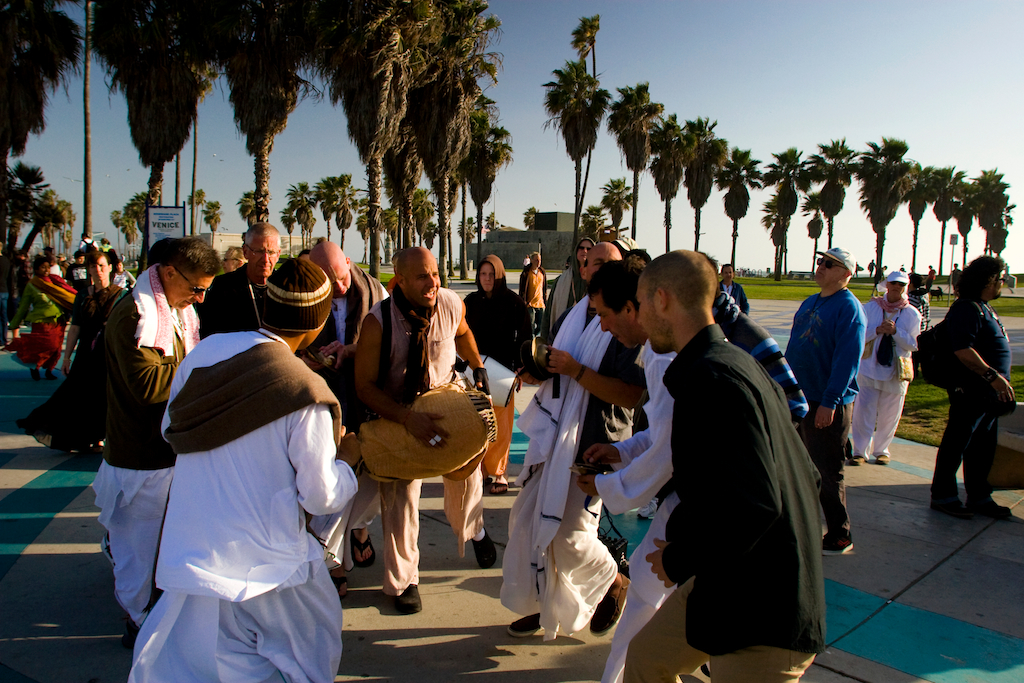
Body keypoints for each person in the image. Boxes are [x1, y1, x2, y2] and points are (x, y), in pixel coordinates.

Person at [128, 259, 358, 683]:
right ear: (319, 320)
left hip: (196, 556)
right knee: (308, 656)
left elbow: (171, 431)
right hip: (271, 568)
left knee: (208, 668)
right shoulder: (305, 391)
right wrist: (346, 462)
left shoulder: (204, 353)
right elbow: (321, 496)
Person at [621, 250, 825, 683]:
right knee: (645, 661)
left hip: (765, 608)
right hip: (727, 580)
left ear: (662, 300)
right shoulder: (732, 363)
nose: (635, 317)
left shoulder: (712, 379)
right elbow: (804, 474)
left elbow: (753, 506)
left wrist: (679, 558)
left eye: (638, 303)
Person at [502, 241, 644, 641]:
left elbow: (632, 395)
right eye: (588, 260)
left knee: (570, 536)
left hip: (595, 442)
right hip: (554, 435)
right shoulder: (569, 315)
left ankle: (614, 580)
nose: (592, 266)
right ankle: (542, 604)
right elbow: (553, 365)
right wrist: (535, 371)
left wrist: (577, 370)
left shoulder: (624, 322)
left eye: (603, 262)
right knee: (527, 522)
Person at [92, 237, 220, 647]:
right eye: (196, 288)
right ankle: (137, 620)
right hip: (140, 461)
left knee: (157, 546)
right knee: (138, 554)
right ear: (167, 274)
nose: (200, 297)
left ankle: (149, 612)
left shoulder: (176, 311)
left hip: (165, 454)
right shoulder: (135, 315)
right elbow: (148, 384)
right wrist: (207, 370)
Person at [353, 246, 494, 614]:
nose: (432, 282)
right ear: (398, 279)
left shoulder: (448, 302)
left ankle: (474, 530)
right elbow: (364, 387)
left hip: (447, 404)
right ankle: (404, 582)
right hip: (399, 416)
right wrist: (406, 418)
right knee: (400, 500)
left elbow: (463, 332)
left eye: (435, 273)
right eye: (422, 276)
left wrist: (477, 364)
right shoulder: (377, 322)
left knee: (468, 478)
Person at [304, 241, 388, 598]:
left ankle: (359, 527)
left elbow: (387, 341)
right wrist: (309, 361)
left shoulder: (375, 291)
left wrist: (350, 351)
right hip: (323, 403)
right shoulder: (303, 292)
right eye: (327, 280)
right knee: (330, 476)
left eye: (340, 278)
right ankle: (336, 562)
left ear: (349, 265)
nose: (338, 287)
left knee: (369, 478)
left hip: (365, 397)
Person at [786, 247, 866, 556]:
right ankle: (800, 524)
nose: (821, 266)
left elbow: (847, 361)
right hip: (799, 400)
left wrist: (830, 403)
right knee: (797, 467)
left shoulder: (850, 310)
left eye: (829, 264)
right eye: (820, 261)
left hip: (825, 403)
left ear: (846, 274)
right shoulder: (810, 303)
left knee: (827, 470)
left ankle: (839, 533)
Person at [930, 256, 1015, 520]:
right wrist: (993, 377)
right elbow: (962, 349)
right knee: (957, 443)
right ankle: (943, 495)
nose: (1003, 284)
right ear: (989, 280)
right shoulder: (967, 308)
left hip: (987, 395)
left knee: (982, 447)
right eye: (1001, 279)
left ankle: (979, 496)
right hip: (971, 390)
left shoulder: (983, 307)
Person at [16, 250, 126, 452]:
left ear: (110, 268)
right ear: (89, 270)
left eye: (102, 266)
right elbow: (75, 327)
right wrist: (66, 357)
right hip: (86, 353)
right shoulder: (83, 295)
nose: (98, 270)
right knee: (76, 396)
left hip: (109, 353)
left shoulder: (122, 295)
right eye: (94, 266)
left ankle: (99, 437)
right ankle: (77, 437)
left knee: (103, 397)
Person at [464, 255, 532, 495]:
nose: (487, 279)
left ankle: (499, 472)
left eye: (492, 274)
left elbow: (525, 338)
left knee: (501, 427)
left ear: (500, 276)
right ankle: (481, 469)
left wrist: (519, 369)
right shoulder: (470, 302)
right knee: (478, 424)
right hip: (476, 373)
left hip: (504, 373)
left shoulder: (514, 303)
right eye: (483, 274)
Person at [850, 271, 921, 466]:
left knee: (890, 413)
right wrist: (877, 331)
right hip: (869, 368)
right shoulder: (871, 307)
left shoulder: (911, 313)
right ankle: (859, 451)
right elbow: (858, 335)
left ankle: (882, 450)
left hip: (896, 371)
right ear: (886, 285)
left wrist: (896, 332)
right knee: (864, 411)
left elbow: (915, 344)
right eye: (894, 283)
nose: (897, 287)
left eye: (901, 284)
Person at [197, 222, 281, 337]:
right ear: (245, 252)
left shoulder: (287, 287)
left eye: (271, 252)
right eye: (259, 251)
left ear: (278, 254)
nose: (265, 259)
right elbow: (208, 333)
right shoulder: (221, 288)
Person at [6, 255, 76, 380]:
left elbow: (68, 295)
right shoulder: (32, 285)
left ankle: (49, 370)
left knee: (56, 349)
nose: (46, 270)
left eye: (48, 267)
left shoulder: (56, 282)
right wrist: (14, 323)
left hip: (58, 321)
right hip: (42, 323)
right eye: (43, 267)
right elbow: (23, 307)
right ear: (36, 270)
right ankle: (36, 367)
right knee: (46, 346)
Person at [542, 237, 594, 340]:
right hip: (562, 335)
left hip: (587, 337)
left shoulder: (597, 281)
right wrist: (544, 340)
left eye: (589, 249)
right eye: (581, 248)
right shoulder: (560, 281)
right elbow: (548, 314)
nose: (585, 251)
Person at [519, 251, 547, 336]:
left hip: (540, 304)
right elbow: (522, 289)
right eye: (536, 260)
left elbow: (544, 288)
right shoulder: (526, 273)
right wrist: (524, 301)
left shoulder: (542, 272)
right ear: (531, 260)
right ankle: (531, 343)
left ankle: (536, 339)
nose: (538, 262)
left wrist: (545, 301)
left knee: (541, 325)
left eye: (540, 260)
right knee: (530, 325)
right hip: (530, 304)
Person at [0, 243, 15, 344]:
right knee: (3, 316)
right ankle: (4, 338)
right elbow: (11, 278)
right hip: (5, 290)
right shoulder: (6, 261)